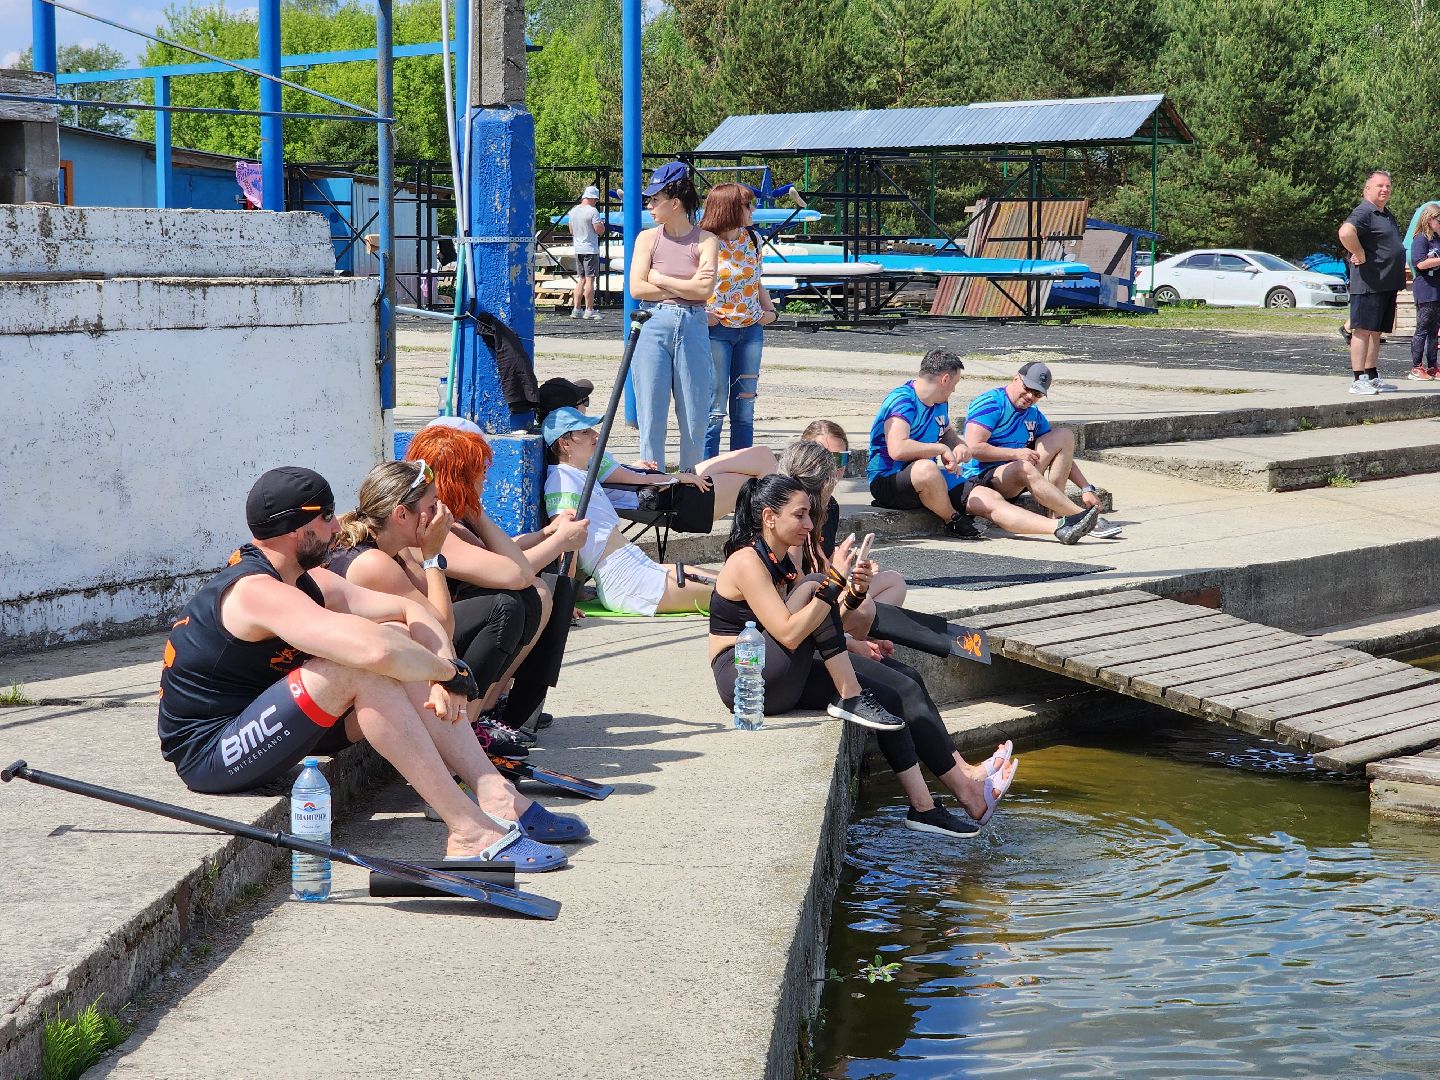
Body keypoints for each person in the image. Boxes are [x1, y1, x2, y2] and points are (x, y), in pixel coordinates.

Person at [156, 467, 581, 870]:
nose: (337, 527)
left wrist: (446, 670)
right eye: (325, 518)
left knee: (396, 633)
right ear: (294, 530)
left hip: (269, 726)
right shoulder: (256, 591)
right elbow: (374, 653)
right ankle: (468, 832)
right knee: (358, 669)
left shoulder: (305, 581)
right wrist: (450, 674)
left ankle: (492, 790)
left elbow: (409, 611)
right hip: (213, 752)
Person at [709, 475, 1018, 837]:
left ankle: (927, 808)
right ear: (769, 517)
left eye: (810, 515)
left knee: (896, 690)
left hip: (781, 668)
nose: (810, 525)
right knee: (814, 588)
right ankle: (851, 696)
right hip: (746, 678)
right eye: (801, 515)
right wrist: (832, 583)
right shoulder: (747, 561)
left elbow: (824, 623)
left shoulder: (783, 557)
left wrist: (853, 593)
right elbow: (790, 632)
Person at [329, 461, 532, 757]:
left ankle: (468, 723)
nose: (441, 513)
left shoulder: (391, 547)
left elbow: (433, 609)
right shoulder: (372, 564)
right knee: (502, 609)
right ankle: (463, 731)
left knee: (519, 600)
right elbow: (441, 627)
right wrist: (432, 554)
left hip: (380, 681)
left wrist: (421, 554)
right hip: (344, 716)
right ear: (401, 514)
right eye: (432, 504)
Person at [405, 422, 589, 741]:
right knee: (519, 598)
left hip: (440, 631)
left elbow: (503, 556)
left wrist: (547, 534)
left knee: (537, 588)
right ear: (458, 479)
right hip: (425, 638)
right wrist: (559, 543)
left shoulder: (452, 521)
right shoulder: (432, 526)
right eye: (478, 471)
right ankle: (476, 716)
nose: (486, 478)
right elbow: (515, 572)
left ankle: (489, 709)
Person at [543, 405, 775, 615]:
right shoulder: (562, 481)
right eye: (584, 432)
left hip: (639, 570)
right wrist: (565, 603)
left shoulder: (579, 474)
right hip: (630, 582)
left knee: (743, 582)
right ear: (565, 444)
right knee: (743, 592)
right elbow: (567, 542)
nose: (595, 435)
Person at [961, 362, 1119, 543]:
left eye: (1037, 394)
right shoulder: (990, 403)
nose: (1030, 396)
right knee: (1023, 466)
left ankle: (1058, 515)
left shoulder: (1033, 414)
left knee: (1064, 436)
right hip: (981, 477)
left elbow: (1061, 455)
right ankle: (1085, 519)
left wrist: (1085, 488)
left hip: (1018, 472)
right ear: (1015, 378)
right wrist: (1015, 454)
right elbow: (973, 449)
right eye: (1027, 388)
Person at [629, 160, 719, 470]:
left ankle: (690, 481)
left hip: (693, 325)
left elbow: (704, 290)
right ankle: (651, 482)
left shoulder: (706, 239)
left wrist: (661, 279)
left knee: (695, 414)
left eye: (655, 199)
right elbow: (637, 288)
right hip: (653, 324)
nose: (650, 205)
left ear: (675, 202)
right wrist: (685, 289)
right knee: (651, 412)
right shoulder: (647, 238)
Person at [866, 349, 987, 540]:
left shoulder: (939, 402)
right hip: (888, 480)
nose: (954, 390)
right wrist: (940, 448)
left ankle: (1050, 526)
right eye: (955, 383)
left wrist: (958, 444)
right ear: (945, 379)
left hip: (927, 480)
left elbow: (946, 431)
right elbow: (897, 449)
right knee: (927, 469)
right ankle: (952, 519)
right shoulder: (903, 401)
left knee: (988, 498)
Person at [700, 183, 778, 458]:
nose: (753, 210)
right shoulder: (704, 240)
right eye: (748, 205)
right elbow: (691, 283)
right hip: (717, 330)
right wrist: (701, 315)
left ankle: (742, 473)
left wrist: (771, 312)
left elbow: (756, 281)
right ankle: (706, 475)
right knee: (715, 409)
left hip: (750, 330)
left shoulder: (753, 238)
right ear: (731, 207)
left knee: (745, 408)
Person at [1338, 170, 1405, 395]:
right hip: (1369, 282)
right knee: (1362, 330)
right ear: (1367, 189)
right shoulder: (1364, 211)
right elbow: (1346, 232)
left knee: (1376, 332)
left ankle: (1372, 375)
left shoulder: (1384, 213)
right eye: (1379, 186)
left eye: (1388, 186)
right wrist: (1359, 252)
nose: (1385, 189)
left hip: (1386, 282)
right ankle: (1358, 380)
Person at [1409, 202, 1440, 381]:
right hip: (1426, 290)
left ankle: (1432, 366)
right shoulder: (1420, 239)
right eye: (1439, 220)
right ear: (1429, 220)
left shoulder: (1437, 238)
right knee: (1422, 329)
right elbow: (1419, 263)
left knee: (1434, 331)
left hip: (1438, 289)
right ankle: (1416, 366)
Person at [568, 184, 606, 320]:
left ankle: (576, 309)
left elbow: (571, 230)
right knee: (590, 280)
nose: (596, 202)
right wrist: (602, 225)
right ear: (592, 198)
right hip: (590, 249)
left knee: (581, 279)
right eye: (596, 199)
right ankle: (589, 310)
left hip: (578, 248)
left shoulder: (573, 211)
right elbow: (599, 230)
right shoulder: (593, 211)